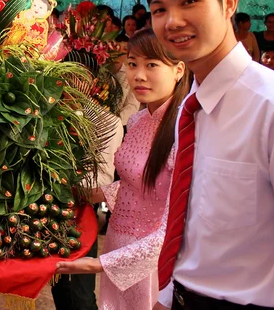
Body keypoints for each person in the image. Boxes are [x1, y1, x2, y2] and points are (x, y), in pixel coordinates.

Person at [145, 0, 274, 309]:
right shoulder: (190, 106)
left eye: (188, 1)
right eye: (159, 9)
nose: (172, 21)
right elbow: (188, 215)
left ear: (228, 4)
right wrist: (164, 295)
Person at [56, 29, 189, 310]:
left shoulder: (184, 130)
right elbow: (138, 186)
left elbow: (176, 223)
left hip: (149, 258)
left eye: (151, 64)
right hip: (118, 240)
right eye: (132, 64)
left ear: (178, 70)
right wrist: (90, 194)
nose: (138, 75)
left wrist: (97, 263)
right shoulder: (140, 118)